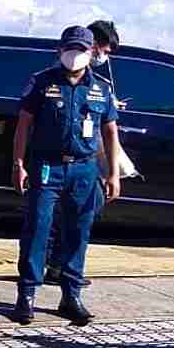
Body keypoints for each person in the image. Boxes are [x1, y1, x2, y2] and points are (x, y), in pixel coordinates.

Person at [13, 26, 122, 326]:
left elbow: (110, 131)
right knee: (37, 227)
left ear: (91, 52)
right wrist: (18, 163)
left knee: (79, 230)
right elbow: (23, 125)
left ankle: (71, 295)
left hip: (85, 168)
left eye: (81, 50)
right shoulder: (41, 82)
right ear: (59, 50)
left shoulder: (101, 88)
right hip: (48, 165)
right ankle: (27, 294)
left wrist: (113, 173)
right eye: (70, 49)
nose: (75, 56)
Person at [44, 19, 121, 284]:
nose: (105, 57)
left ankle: (63, 266)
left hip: (86, 160)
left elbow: (107, 124)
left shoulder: (98, 84)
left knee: (82, 210)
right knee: (63, 215)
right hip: (60, 160)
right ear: (95, 46)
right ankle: (57, 266)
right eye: (106, 50)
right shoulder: (57, 77)